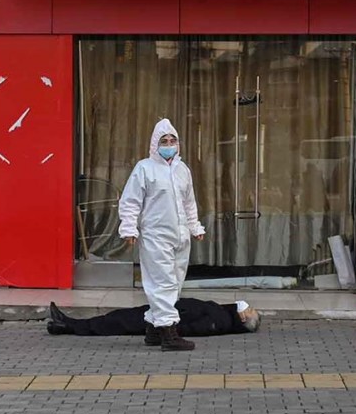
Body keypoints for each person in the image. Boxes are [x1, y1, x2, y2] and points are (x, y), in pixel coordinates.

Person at [118, 118, 205, 352]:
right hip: (155, 235)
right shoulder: (144, 168)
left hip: (180, 235)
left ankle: (153, 329)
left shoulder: (182, 170)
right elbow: (131, 201)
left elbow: (189, 202)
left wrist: (195, 227)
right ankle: (169, 333)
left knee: (174, 283)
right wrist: (129, 228)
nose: (168, 145)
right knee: (163, 283)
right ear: (155, 144)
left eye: (172, 140)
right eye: (163, 141)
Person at [46, 299, 261, 337]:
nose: (247, 307)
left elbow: (194, 328)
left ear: (244, 319)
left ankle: (67, 325)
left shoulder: (222, 322)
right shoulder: (226, 314)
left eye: (250, 310)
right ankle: (64, 325)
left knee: (115, 323)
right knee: (117, 317)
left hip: (162, 318)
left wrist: (164, 327)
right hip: (164, 310)